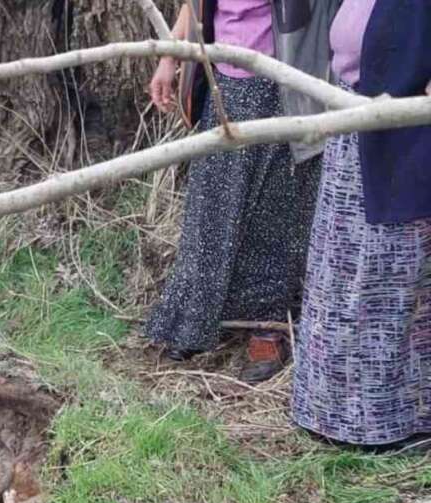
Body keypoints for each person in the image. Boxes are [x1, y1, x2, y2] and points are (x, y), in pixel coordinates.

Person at [144, 0, 330, 382]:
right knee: (211, 207)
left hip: (284, 81)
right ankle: (197, 316)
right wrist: (169, 57)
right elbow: (194, 5)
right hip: (225, 84)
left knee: (277, 212)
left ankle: (269, 329)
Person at [291, 0, 431, 447]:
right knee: (340, 279)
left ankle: (389, 424)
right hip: (355, 129)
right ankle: (333, 414)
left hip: (405, 140)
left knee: (389, 283)